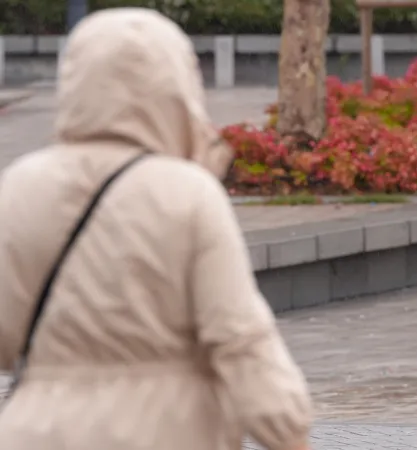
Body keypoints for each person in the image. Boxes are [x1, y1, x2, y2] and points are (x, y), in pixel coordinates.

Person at [0, 8, 312, 450]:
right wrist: (288, 431)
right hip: (165, 429)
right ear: (176, 89)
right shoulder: (187, 193)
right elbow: (240, 337)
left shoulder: (20, 185)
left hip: (37, 432)